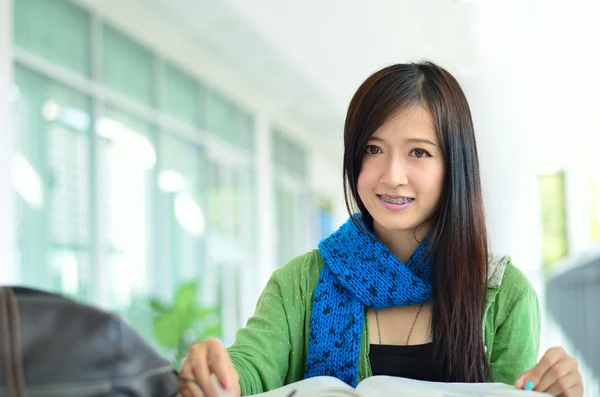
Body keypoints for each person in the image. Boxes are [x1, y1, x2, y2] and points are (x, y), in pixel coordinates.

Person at [179, 62, 583, 397]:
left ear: (453, 167)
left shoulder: (502, 293)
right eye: (373, 149)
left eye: (419, 152)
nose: (392, 176)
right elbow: (249, 370)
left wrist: (554, 392)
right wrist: (216, 375)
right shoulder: (298, 283)